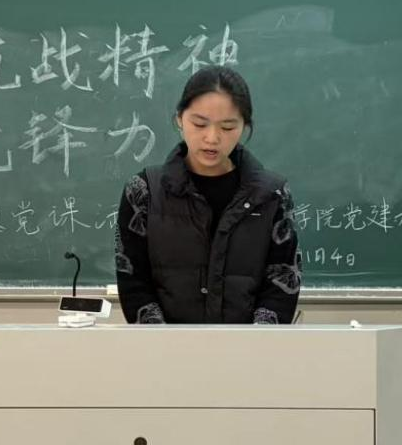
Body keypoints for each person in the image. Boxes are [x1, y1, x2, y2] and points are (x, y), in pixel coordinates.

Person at [114, 65, 301, 324]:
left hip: (249, 347)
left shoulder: (272, 194)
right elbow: (133, 282)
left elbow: (281, 283)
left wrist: (255, 341)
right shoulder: (144, 191)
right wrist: (164, 342)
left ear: (245, 126)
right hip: (164, 346)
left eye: (228, 127)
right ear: (179, 118)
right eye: (199, 124)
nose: (212, 138)